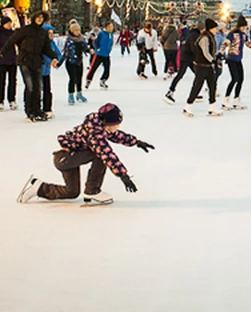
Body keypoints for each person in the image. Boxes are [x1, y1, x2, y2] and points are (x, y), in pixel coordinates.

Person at [17, 103, 154, 206]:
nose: (117, 127)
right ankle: (92, 190)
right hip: (64, 157)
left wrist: (136, 142)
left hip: (69, 157)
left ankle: (39, 188)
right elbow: (106, 153)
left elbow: (116, 135)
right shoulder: (94, 133)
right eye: (115, 124)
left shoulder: (99, 125)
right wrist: (123, 175)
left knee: (72, 192)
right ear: (107, 122)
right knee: (100, 154)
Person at [4, 11, 60, 122]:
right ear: (34, 18)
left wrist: (54, 57)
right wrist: (3, 52)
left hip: (37, 61)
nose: (40, 19)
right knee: (30, 86)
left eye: (42, 18)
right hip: (25, 61)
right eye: (38, 17)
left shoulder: (43, 32)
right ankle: (29, 111)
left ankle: (37, 110)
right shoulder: (25, 30)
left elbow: (46, 48)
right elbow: (12, 40)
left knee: (38, 87)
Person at [183, 19, 224, 117]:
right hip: (201, 66)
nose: (217, 30)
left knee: (212, 85)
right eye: (215, 28)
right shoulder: (204, 38)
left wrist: (217, 57)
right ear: (210, 28)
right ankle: (188, 105)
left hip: (208, 66)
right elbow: (205, 52)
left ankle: (212, 106)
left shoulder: (211, 37)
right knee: (197, 86)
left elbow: (212, 51)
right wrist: (213, 60)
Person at [222, 16, 251, 109]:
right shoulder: (233, 34)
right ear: (241, 26)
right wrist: (221, 52)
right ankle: (226, 99)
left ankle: (236, 99)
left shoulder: (243, 35)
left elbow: (248, 44)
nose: (245, 28)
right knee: (234, 79)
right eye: (244, 26)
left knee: (241, 79)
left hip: (238, 59)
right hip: (231, 59)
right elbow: (225, 43)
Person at [165, 24, 199, 103]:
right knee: (180, 74)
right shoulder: (194, 35)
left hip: (188, 57)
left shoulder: (192, 34)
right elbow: (193, 48)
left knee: (198, 75)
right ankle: (170, 92)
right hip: (186, 58)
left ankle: (195, 94)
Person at [63, 19, 90, 105]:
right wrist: (59, 63)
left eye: (78, 30)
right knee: (72, 78)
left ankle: (79, 93)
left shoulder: (82, 39)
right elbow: (66, 53)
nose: (77, 32)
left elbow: (85, 48)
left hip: (79, 61)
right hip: (70, 62)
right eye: (75, 30)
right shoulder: (69, 40)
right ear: (72, 31)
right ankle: (70, 95)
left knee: (79, 78)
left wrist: (89, 50)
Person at [40, 24, 63, 119]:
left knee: (47, 90)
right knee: (37, 90)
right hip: (38, 69)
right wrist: (50, 62)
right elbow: (42, 55)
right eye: (49, 33)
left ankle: (47, 108)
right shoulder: (40, 43)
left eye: (52, 33)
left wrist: (57, 61)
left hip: (46, 71)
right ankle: (36, 109)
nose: (51, 35)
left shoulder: (52, 43)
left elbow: (58, 53)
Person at [85, 21, 114, 89]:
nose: (111, 28)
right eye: (110, 27)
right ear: (106, 27)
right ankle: (88, 80)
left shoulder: (111, 34)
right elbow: (95, 42)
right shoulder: (101, 33)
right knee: (93, 68)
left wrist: (109, 49)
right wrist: (97, 48)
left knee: (107, 69)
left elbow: (111, 42)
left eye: (112, 27)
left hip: (106, 55)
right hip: (98, 54)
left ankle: (103, 80)